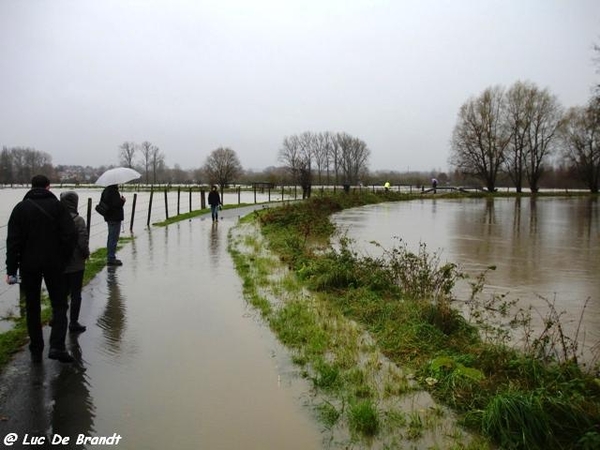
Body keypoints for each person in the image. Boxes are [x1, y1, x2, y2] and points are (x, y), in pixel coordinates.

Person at [5, 175, 77, 363]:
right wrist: (64, 258)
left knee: (32, 305)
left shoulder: (20, 209)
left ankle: (36, 346)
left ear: (31, 186)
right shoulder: (58, 207)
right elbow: (70, 235)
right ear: (48, 187)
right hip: (54, 262)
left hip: (29, 264)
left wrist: (11, 269)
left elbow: (12, 242)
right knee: (60, 304)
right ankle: (57, 346)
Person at [60, 191, 90, 333]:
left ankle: (58, 318)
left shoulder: (55, 219)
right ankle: (73, 322)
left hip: (59, 264)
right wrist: (86, 254)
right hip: (76, 263)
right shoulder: (78, 220)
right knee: (76, 293)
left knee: (60, 293)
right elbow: (83, 241)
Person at [100, 184, 126, 266]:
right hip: (115, 217)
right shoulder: (113, 192)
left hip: (109, 217)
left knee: (111, 237)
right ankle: (111, 258)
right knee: (113, 238)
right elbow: (116, 205)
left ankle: (110, 256)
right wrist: (122, 201)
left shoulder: (106, 191)